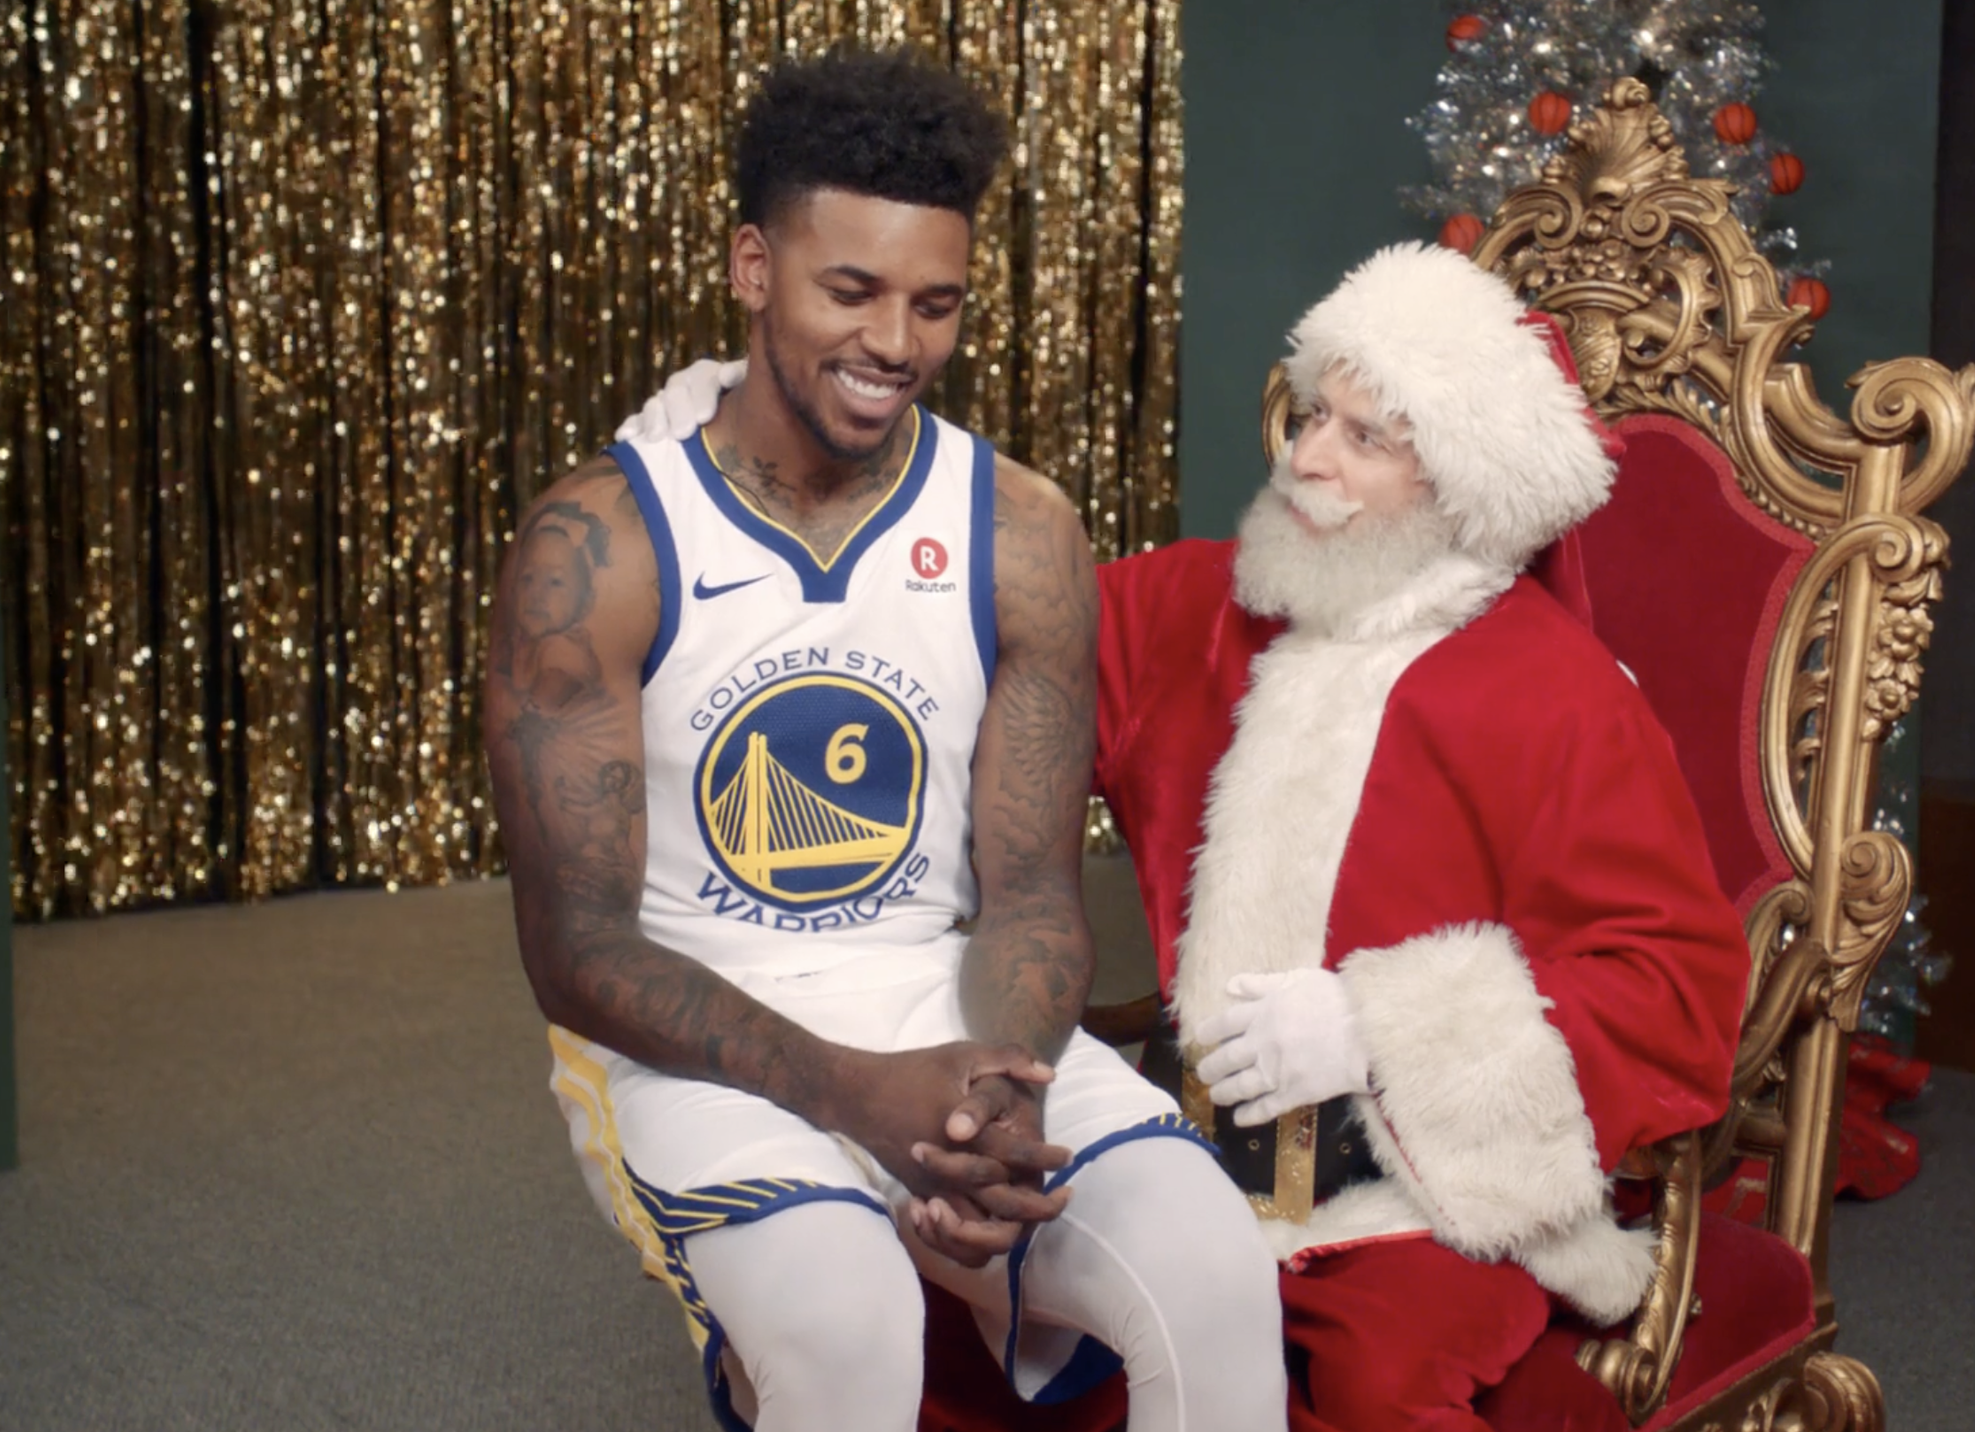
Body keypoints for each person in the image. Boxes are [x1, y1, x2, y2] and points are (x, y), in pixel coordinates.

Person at [625, 243, 1753, 1429]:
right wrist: (745, 455)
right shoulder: (1197, 607)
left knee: (1376, 1389)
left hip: (1419, 1201)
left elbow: (1674, 990)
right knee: (925, 1327)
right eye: (1314, 415)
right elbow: (953, 646)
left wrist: (1379, 1029)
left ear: (1464, 487)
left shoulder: (1562, 698)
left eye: (1365, 438)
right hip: (1187, 1144)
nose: (1305, 456)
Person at [486, 48, 1284, 1432]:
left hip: (934, 999)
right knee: (848, 1321)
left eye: (935, 303)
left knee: (1213, 1266)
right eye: (849, 291)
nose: (895, 344)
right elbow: (579, 951)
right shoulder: (598, 544)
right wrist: (857, 1097)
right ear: (753, 268)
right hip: (691, 1022)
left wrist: (998, 1096)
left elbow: (1031, 894)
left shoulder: (1019, 532)